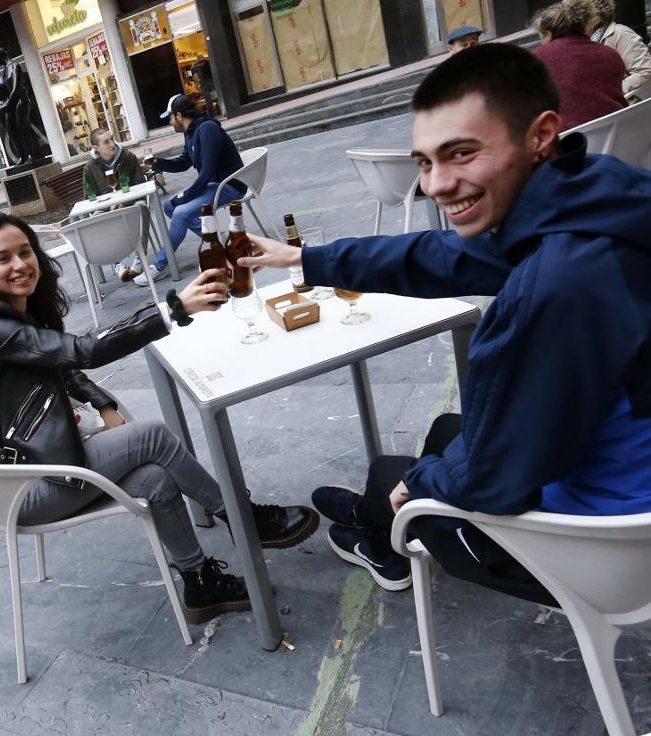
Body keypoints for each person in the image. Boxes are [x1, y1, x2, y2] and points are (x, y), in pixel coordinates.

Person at [238, 43, 651, 604]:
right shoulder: (589, 196)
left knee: (394, 477)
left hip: (607, 551)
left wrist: (421, 483)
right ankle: (372, 526)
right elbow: (440, 255)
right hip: (616, 454)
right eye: (425, 162)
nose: (435, 184)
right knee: (440, 437)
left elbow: (493, 478)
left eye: (461, 154)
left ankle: (379, 539)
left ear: (540, 134)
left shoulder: (554, 285)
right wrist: (304, 259)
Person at [0, 213, 319, 625]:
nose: (19, 264)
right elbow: (85, 350)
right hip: (18, 489)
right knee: (153, 436)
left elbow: (64, 367)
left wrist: (103, 405)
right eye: (4, 258)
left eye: (25, 251)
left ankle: (199, 583)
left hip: (40, 465)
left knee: (156, 479)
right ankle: (245, 520)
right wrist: (173, 308)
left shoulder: (13, 314)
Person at [134, 94, 244, 286]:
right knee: (169, 206)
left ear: (178, 116)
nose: (169, 122)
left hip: (230, 184)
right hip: (215, 184)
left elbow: (207, 173)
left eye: (169, 118)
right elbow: (185, 162)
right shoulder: (191, 131)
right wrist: (159, 163)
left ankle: (159, 265)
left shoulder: (207, 129)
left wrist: (184, 197)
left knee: (181, 212)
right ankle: (218, 243)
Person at [532, 0, 626, 129]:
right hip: (617, 132)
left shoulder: (537, 57)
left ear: (547, 33)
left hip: (570, 142)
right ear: (587, 26)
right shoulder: (610, 54)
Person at [586, 0, 651, 102]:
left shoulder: (620, 33)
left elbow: (646, 71)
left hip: (625, 106)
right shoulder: (580, 41)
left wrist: (612, 92)